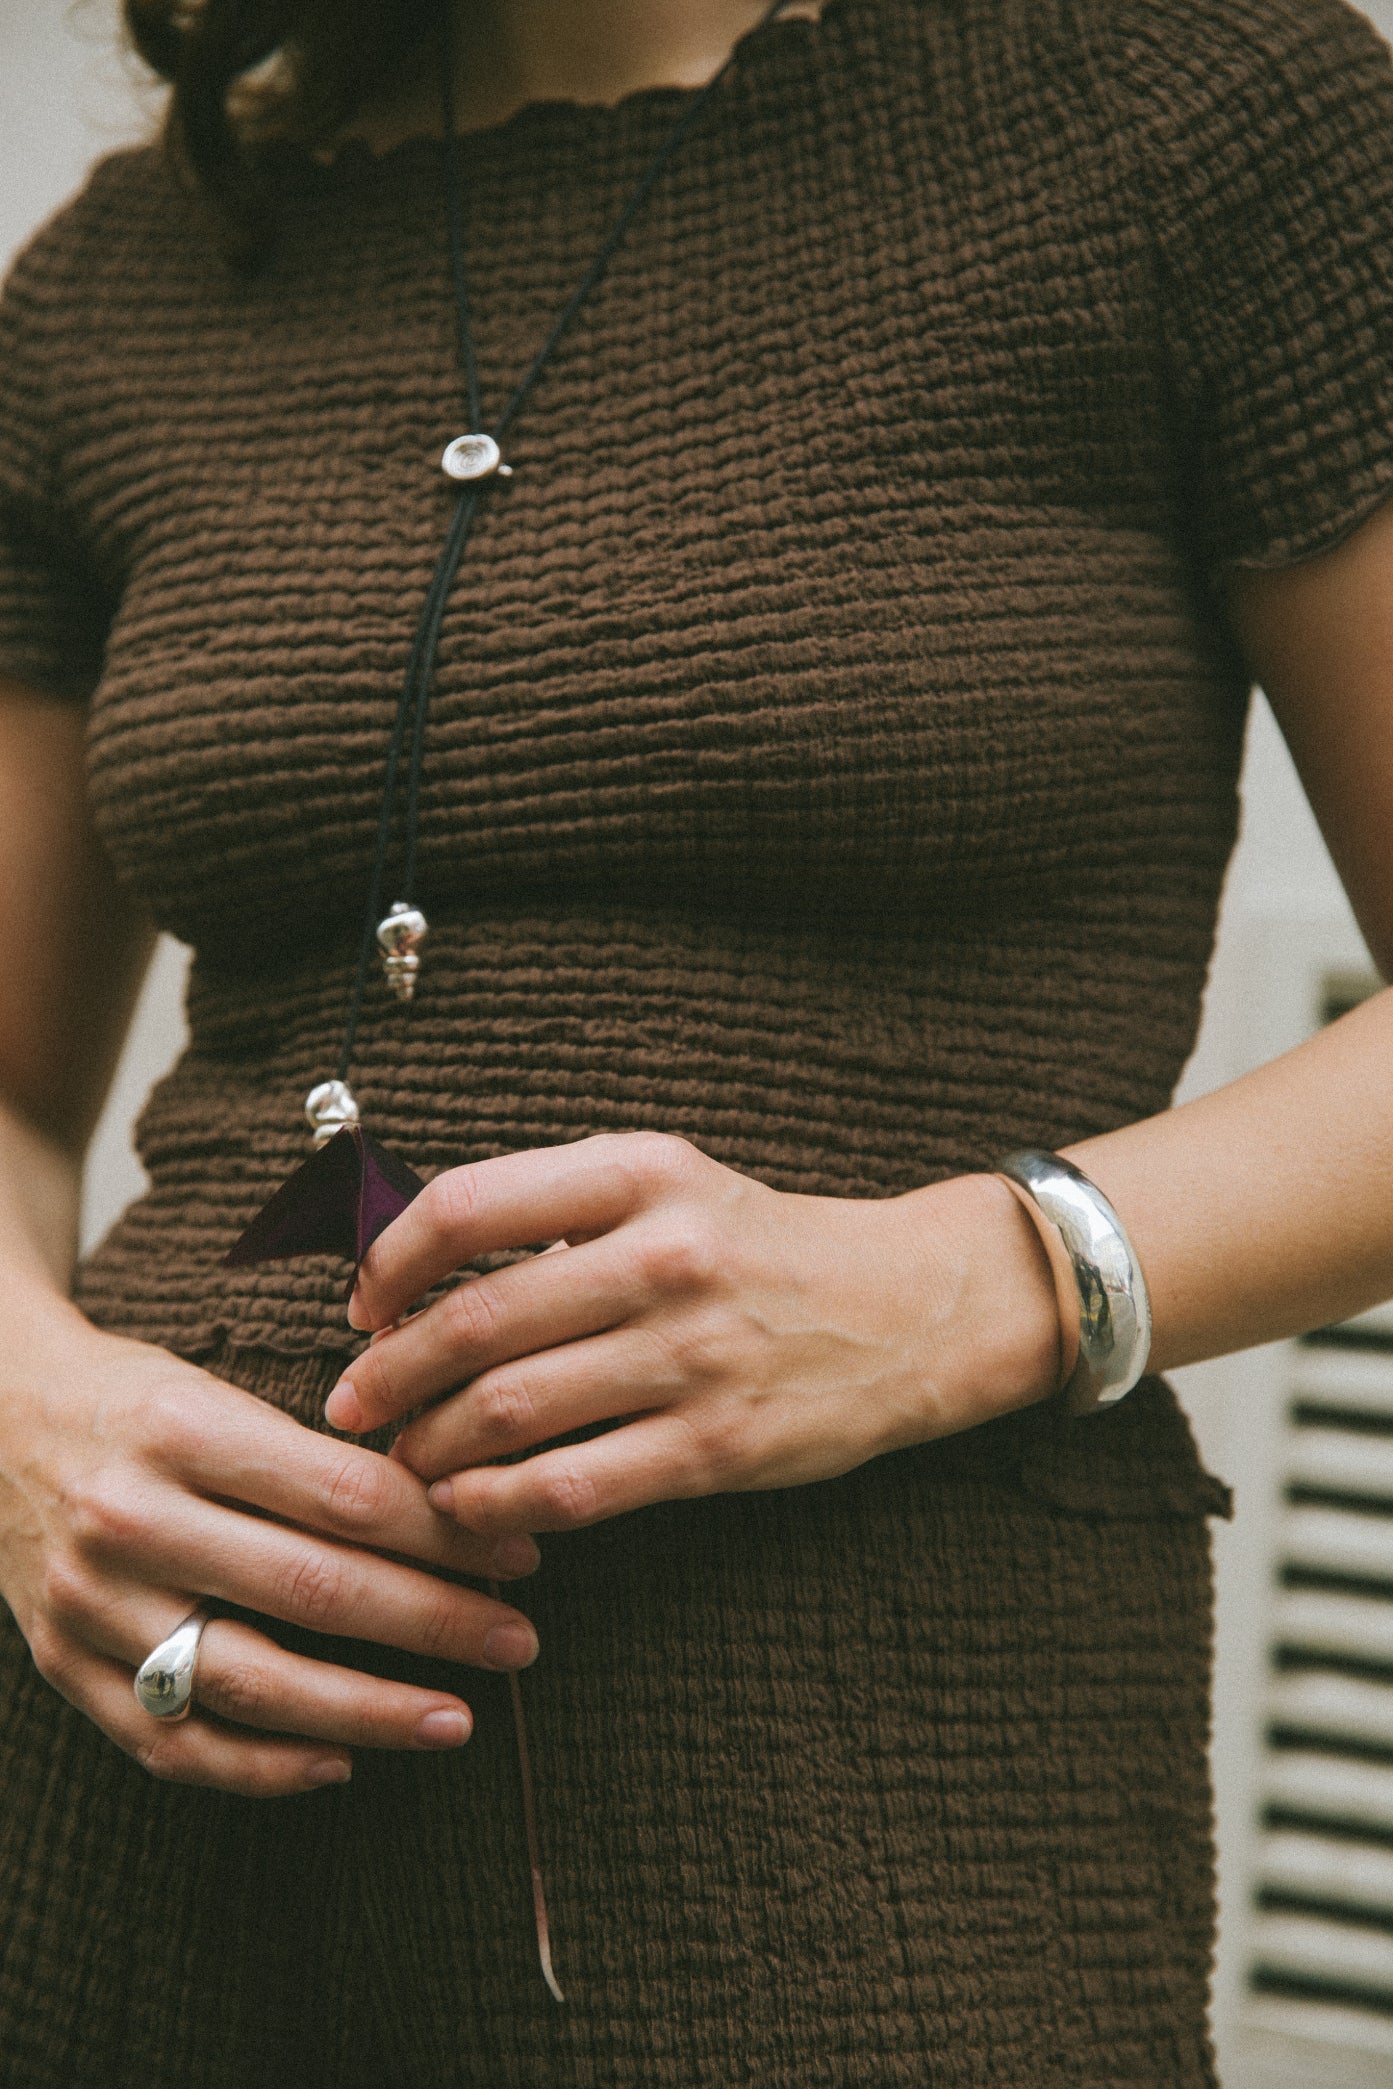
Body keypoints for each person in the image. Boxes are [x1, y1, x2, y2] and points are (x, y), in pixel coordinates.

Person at [2, 0, 1392, 2080]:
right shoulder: (135, 271)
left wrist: (976, 1283)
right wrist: (23, 1425)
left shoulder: (1215, 117)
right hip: (110, 1826)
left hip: (873, 1839)